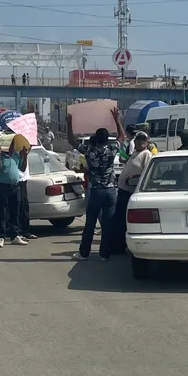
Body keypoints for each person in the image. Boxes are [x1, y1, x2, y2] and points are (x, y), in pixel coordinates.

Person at [70, 109, 126, 262]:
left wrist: (70, 124)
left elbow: (72, 141)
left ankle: (84, 253)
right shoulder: (112, 149)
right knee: (108, 224)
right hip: (110, 191)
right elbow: (122, 136)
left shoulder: (89, 151)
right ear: (107, 139)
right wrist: (117, 119)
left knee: (90, 223)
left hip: (95, 191)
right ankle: (104, 254)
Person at [113, 130, 154, 254]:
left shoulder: (146, 154)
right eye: (138, 140)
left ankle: (121, 246)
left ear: (147, 142)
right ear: (134, 141)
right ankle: (118, 245)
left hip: (131, 192)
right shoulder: (135, 153)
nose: (140, 142)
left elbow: (146, 174)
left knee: (123, 220)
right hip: (123, 190)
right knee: (119, 220)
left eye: (143, 140)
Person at [0, 134, 30, 248]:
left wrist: (25, 156)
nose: (12, 146)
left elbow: (22, 169)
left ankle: (15, 236)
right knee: (2, 212)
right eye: (11, 144)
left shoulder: (16, 156)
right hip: (3, 187)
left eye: (13, 144)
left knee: (15, 212)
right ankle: (1, 237)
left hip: (16, 186)